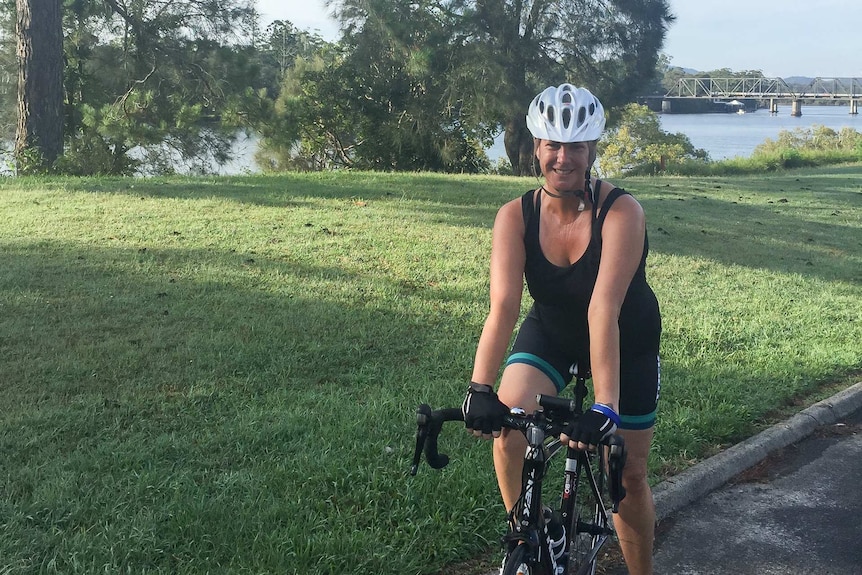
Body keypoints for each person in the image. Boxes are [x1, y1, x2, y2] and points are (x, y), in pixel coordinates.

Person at [461, 84, 661, 575]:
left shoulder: (623, 212)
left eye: (576, 146)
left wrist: (605, 408)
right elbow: (504, 306)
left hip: (625, 338)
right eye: (553, 144)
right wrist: (479, 389)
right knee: (508, 431)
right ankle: (530, 530)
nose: (564, 157)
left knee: (628, 474)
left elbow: (604, 308)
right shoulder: (515, 216)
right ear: (537, 147)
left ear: (592, 149)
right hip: (552, 329)